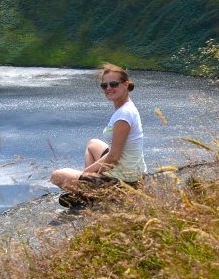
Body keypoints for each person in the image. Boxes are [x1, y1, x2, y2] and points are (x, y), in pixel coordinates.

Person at [50, 63, 147, 207]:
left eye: (113, 84)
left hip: (126, 182)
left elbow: (114, 156)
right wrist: (88, 175)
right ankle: (88, 190)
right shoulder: (125, 108)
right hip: (130, 171)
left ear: (126, 85)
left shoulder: (124, 115)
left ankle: (93, 193)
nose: (108, 88)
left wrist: (89, 174)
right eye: (104, 86)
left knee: (57, 176)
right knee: (93, 144)